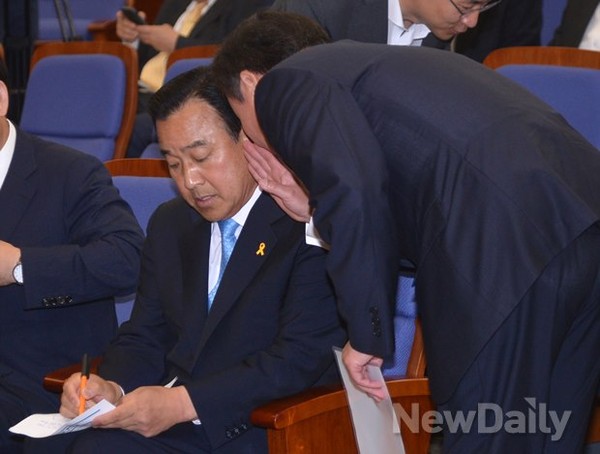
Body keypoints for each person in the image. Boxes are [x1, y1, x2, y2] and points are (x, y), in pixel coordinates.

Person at [212, 11, 600, 452]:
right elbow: (401, 201)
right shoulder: (377, 72)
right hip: (583, 219)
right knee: (550, 433)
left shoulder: (285, 82)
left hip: (506, 252)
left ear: (251, 84)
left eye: (242, 122)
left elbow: (355, 190)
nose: (253, 140)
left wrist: (365, 334)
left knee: (492, 435)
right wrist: (315, 211)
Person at [41, 67, 345, 453]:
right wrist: (111, 388)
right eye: (173, 163)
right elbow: (146, 334)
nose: (190, 180)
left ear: (248, 140)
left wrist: (184, 404)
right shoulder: (171, 223)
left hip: (266, 425)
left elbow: (298, 358)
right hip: (177, 424)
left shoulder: (304, 222)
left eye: (201, 156)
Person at [0, 61, 144, 453]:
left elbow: (127, 259)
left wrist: (20, 266)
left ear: (1, 99)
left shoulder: (70, 173)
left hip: (42, 385)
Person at [117, 0, 273, 157]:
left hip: (186, 97)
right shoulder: (174, 3)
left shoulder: (247, 5)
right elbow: (149, 54)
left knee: (130, 127)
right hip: (139, 91)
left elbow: (235, 55)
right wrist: (133, 37)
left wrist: (178, 44)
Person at [271, 0, 541, 60]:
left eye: (482, 7)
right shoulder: (318, 9)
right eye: (467, 7)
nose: (472, 22)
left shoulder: (439, 35)